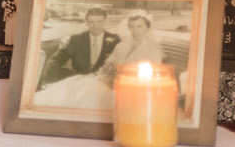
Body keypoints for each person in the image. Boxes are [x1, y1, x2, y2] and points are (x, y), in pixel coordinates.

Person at [34, 10, 164, 110]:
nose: (135, 30)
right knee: (77, 87)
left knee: (91, 96)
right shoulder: (123, 44)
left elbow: (149, 75)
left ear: (147, 27)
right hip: (108, 80)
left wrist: (120, 79)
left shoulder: (152, 48)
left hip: (133, 87)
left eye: (139, 26)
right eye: (132, 27)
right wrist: (106, 74)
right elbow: (110, 63)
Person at [38, 6, 120, 90]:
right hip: (79, 83)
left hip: (103, 84)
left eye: (99, 21)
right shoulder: (76, 39)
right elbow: (56, 59)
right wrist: (49, 81)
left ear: (105, 22)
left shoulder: (115, 40)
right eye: (91, 22)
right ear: (86, 22)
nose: (95, 26)